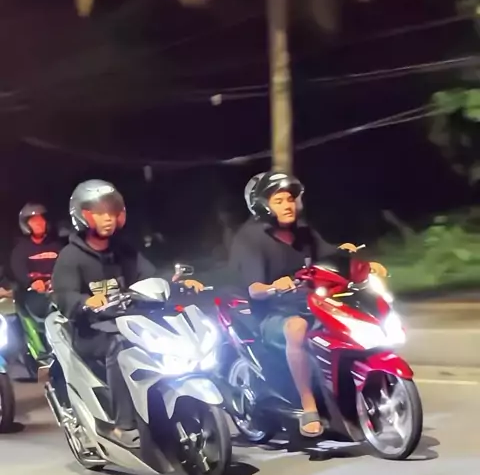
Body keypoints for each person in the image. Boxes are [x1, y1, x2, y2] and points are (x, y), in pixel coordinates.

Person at [230, 171, 385, 438]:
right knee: (297, 328)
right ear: (263, 206)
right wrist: (273, 287)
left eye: (290, 199)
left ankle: (357, 393)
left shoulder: (303, 232)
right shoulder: (250, 239)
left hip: (314, 305)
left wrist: (363, 265)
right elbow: (254, 289)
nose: (288, 205)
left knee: (355, 319)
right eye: (279, 200)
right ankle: (309, 405)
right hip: (272, 316)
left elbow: (330, 255)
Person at [52, 179, 203, 448]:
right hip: (92, 331)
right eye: (100, 213)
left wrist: (176, 284)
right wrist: (86, 301)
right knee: (121, 347)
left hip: (131, 322)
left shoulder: (125, 251)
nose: (108, 219)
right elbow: (64, 296)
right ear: (83, 215)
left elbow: (150, 277)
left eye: (112, 212)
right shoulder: (70, 257)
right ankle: (123, 424)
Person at [10, 204, 62, 319]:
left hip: (57, 290)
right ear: (26, 225)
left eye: (41, 220)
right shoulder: (20, 249)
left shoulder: (57, 246)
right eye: (34, 221)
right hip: (33, 293)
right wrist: (31, 282)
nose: (39, 223)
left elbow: (66, 267)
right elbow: (18, 271)